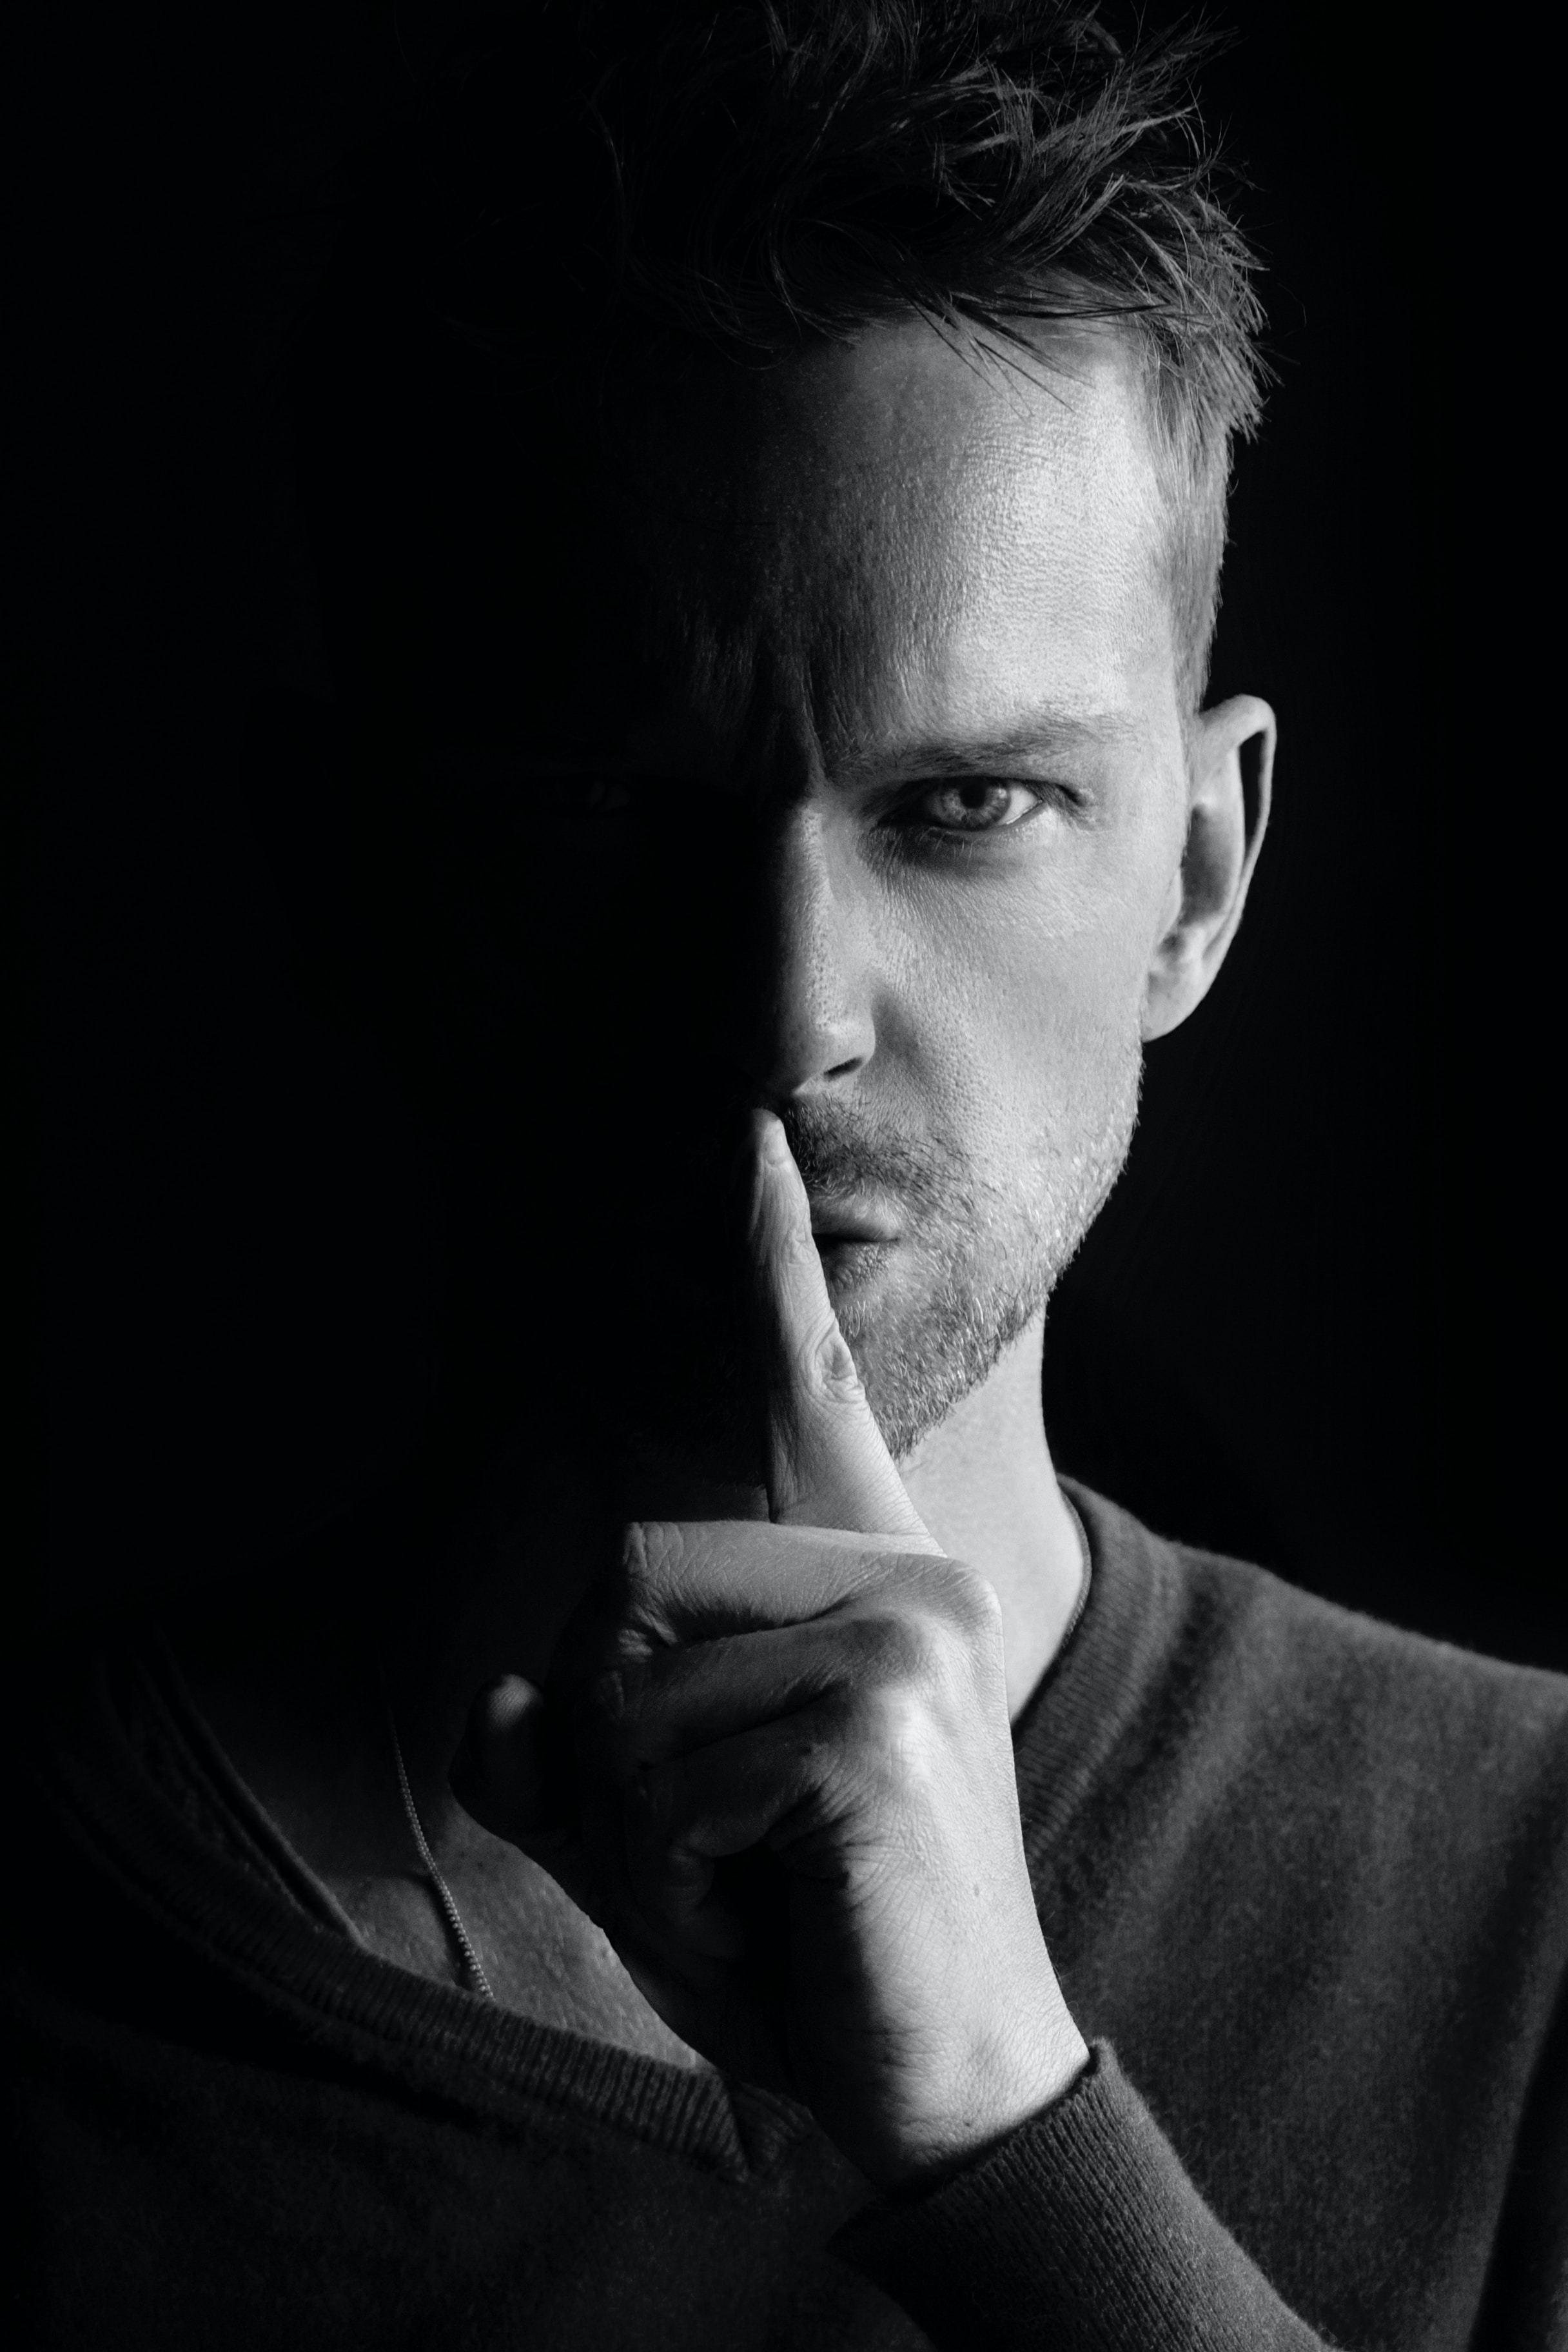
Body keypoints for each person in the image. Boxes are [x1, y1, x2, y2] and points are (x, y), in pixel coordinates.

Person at [11, 3, 1566, 2345]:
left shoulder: (1537, 1902)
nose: (780, 1015)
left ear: (1197, 876)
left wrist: (1010, 2128)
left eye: (967, 806)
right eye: (604, 814)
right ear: (348, 873)